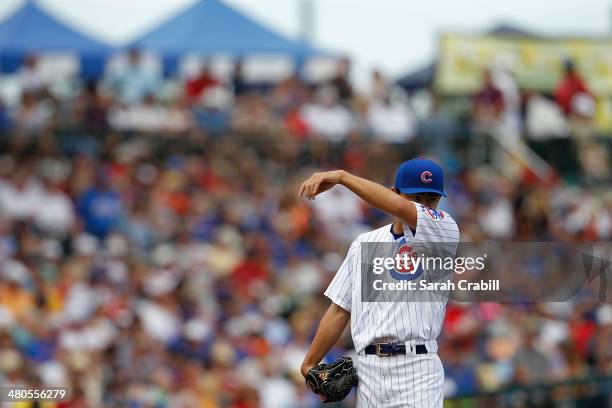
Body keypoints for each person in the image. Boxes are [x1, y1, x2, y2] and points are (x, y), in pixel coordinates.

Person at [298, 158, 460, 407]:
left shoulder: (444, 229)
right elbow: (340, 308)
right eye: (417, 198)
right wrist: (309, 362)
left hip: (417, 368)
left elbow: (401, 208)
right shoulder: (364, 243)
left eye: (432, 199)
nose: (425, 206)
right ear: (394, 192)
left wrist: (342, 176)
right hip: (369, 371)